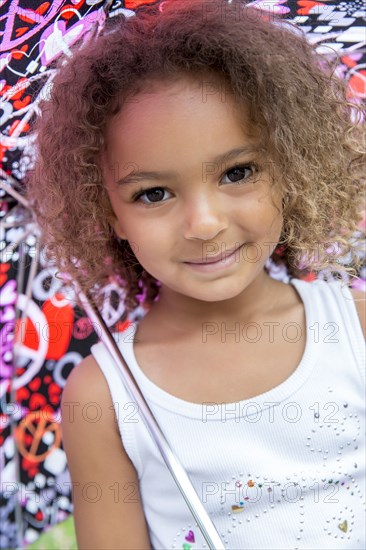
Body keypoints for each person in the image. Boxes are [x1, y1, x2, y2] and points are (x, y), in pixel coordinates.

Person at [28, 0, 365, 548]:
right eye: (153, 193)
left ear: (290, 165)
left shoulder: (355, 330)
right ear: (107, 210)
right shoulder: (105, 397)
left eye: (238, 172)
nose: (204, 223)